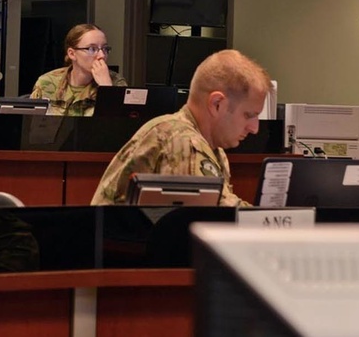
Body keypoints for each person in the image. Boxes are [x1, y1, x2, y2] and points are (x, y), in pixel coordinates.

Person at [91, 49, 271, 206]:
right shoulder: (183, 141)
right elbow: (215, 217)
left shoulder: (209, 145)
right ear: (217, 104)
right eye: (249, 115)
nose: (254, 128)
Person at [30, 23, 127, 116]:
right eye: (92, 49)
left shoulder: (116, 83)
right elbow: (31, 125)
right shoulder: (48, 82)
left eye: (105, 49)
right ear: (72, 54)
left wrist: (106, 87)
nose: (101, 55)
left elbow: (119, 127)